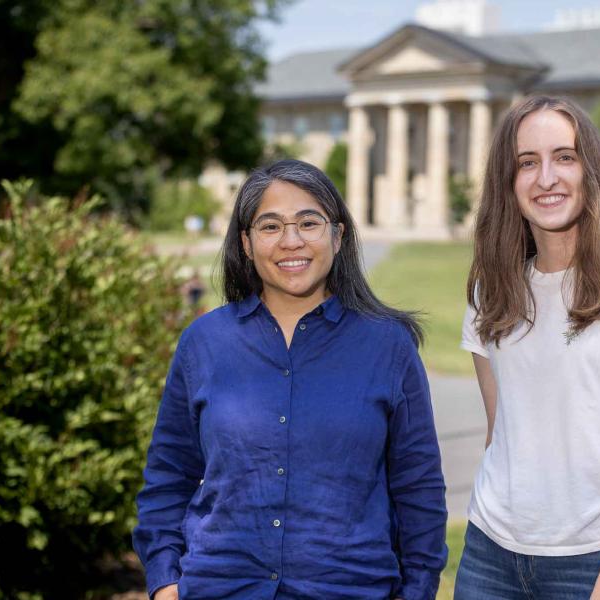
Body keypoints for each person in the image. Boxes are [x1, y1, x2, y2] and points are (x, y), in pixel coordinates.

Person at [133, 160, 448, 600]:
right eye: (270, 226)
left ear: (338, 236)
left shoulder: (388, 347)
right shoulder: (204, 342)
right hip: (220, 588)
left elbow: (419, 491)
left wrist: (416, 592)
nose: (291, 241)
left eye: (308, 222)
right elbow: (169, 476)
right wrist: (165, 583)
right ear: (245, 242)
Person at [454, 96, 600, 600]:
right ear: (507, 182)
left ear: (591, 171)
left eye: (565, 157)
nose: (546, 178)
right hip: (490, 553)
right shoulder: (489, 289)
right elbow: (503, 430)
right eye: (526, 163)